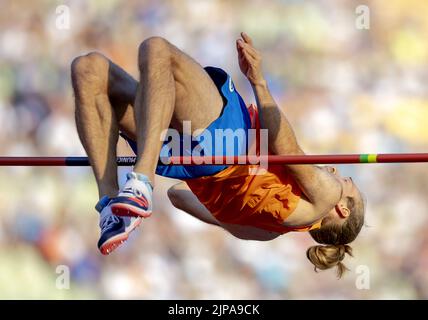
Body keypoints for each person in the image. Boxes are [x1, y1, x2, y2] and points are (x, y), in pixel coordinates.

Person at [71, 32, 365, 278]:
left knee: (156, 50)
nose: (337, 172)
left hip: (230, 140)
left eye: (347, 181)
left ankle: (135, 184)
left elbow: (287, 150)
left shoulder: (328, 195)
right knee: (90, 70)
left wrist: (258, 81)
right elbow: (178, 196)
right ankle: (113, 206)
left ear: (342, 209)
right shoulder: (265, 232)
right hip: (183, 160)